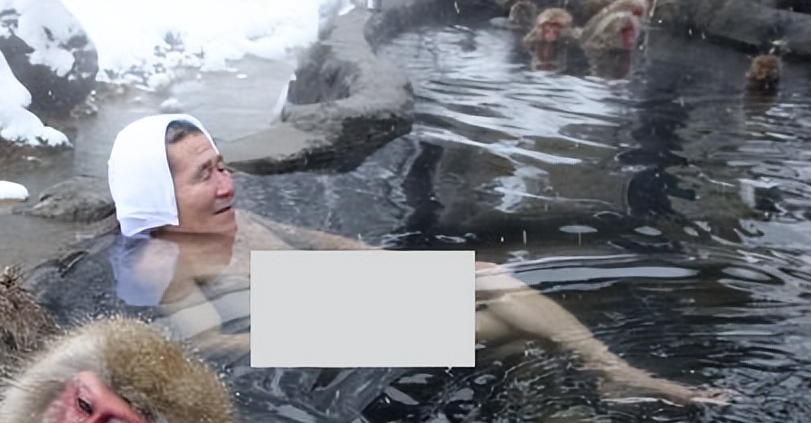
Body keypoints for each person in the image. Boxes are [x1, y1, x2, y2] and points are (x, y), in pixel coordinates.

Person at [106, 113, 728, 406]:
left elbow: (322, 244)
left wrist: (404, 272)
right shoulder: (163, 265)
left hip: (335, 306)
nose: (226, 183)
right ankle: (614, 376)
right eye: (203, 175)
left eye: (221, 164)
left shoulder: (229, 221)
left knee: (494, 291)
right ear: (158, 196)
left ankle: (580, 398)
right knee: (503, 313)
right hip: (312, 334)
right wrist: (308, 334)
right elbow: (206, 346)